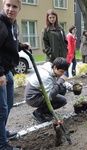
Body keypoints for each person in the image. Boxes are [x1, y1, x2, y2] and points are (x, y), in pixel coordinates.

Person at [0, 0, 31, 149]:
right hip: (1, 72)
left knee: (9, 103)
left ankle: (1, 132)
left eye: (14, 6)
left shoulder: (13, 24)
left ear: (19, 9)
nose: (10, 9)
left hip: (7, 71)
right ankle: (1, 145)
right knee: (1, 109)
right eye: (8, 5)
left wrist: (20, 45)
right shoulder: (0, 24)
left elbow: (8, 43)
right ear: (3, 6)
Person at [25, 57, 73, 123]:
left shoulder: (52, 70)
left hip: (40, 93)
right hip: (33, 97)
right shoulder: (46, 76)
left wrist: (72, 88)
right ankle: (38, 113)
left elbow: (60, 81)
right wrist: (60, 82)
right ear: (55, 67)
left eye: (64, 72)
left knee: (62, 89)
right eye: (61, 71)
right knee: (62, 100)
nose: (62, 74)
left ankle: (47, 111)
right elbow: (49, 96)